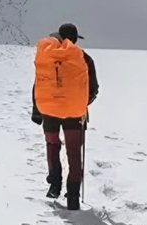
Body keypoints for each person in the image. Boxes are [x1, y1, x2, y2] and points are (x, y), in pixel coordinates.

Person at [30, 22, 98, 209]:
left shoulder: (48, 57)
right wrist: (79, 104)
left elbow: (40, 84)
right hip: (75, 114)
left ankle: (54, 185)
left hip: (50, 112)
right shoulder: (84, 59)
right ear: (75, 39)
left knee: (52, 145)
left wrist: (37, 110)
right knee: (74, 152)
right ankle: (73, 197)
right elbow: (93, 89)